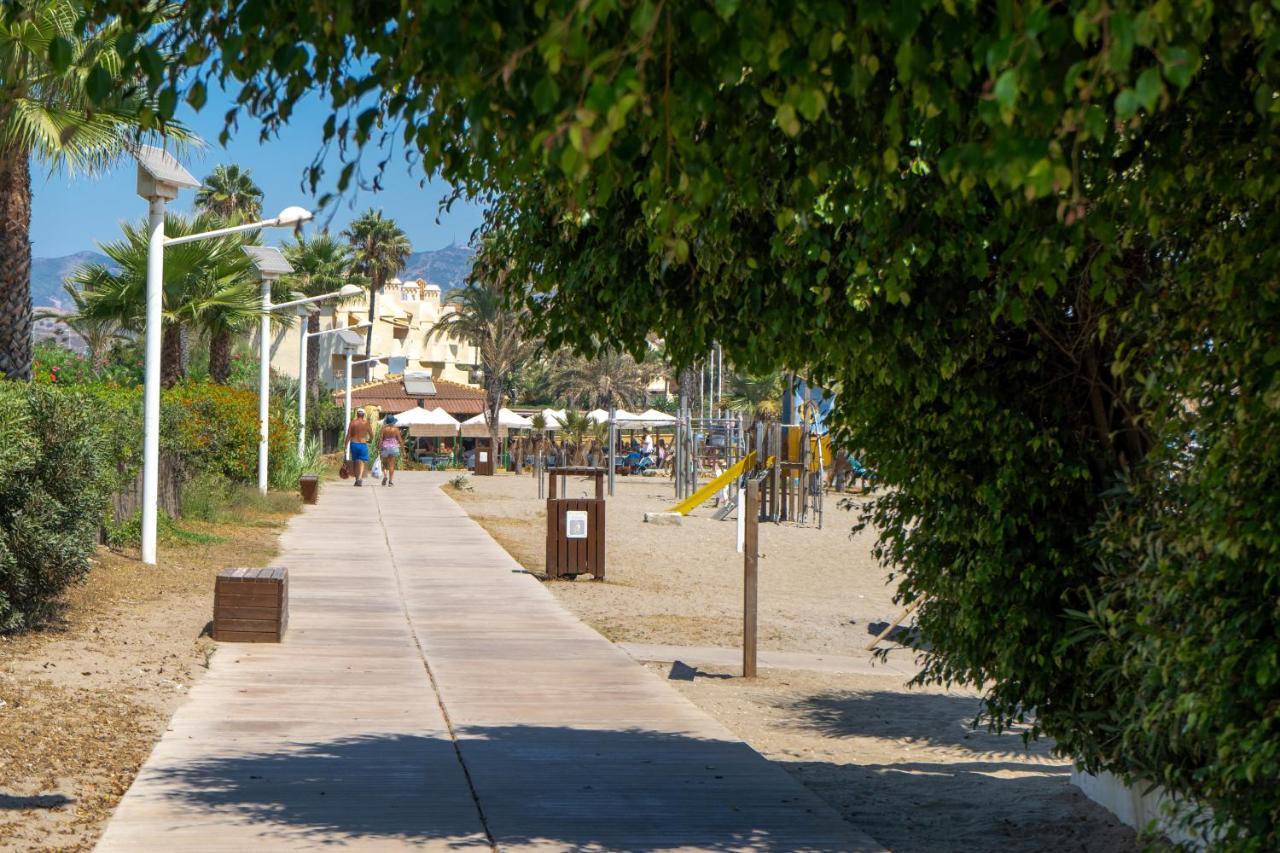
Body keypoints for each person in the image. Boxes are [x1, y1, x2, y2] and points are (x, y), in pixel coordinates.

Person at [345, 408, 373, 486]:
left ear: (357, 414)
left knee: (355, 461)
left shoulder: (352, 423)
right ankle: (360, 478)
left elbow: (349, 435)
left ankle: (357, 479)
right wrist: (370, 440)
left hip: (354, 444)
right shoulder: (366, 423)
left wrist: (345, 446)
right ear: (363, 415)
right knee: (362, 461)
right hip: (363, 444)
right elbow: (371, 434)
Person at [378, 415, 404, 486]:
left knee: (384, 463)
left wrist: (378, 447)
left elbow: (381, 439)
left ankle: (385, 476)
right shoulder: (396, 429)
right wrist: (403, 450)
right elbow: (400, 440)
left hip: (385, 447)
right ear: (393, 422)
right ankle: (390, 481)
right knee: (391, 465)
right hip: (393, 448)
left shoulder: (384, 429)